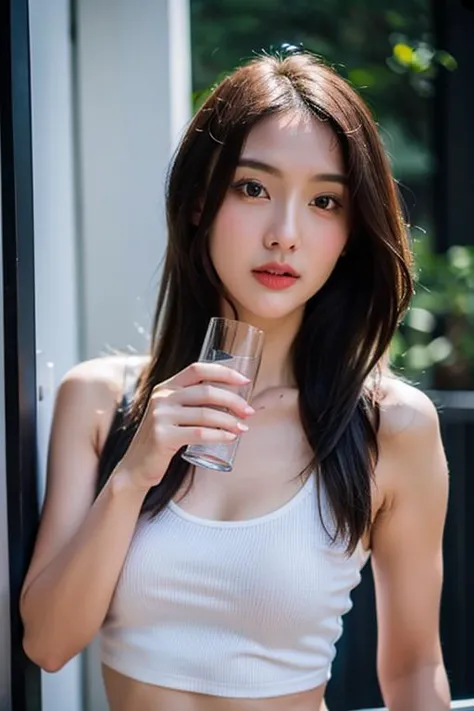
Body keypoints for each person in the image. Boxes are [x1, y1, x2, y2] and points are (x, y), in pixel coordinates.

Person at [20, 51, 450, 711]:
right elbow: (48, 642)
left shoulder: (391, 426)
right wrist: (135, 470)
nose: (284, 234)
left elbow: (415, 671)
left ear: (350, 232)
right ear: (200, 202)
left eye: (324, 201)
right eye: (254, 188)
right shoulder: (103, 400)